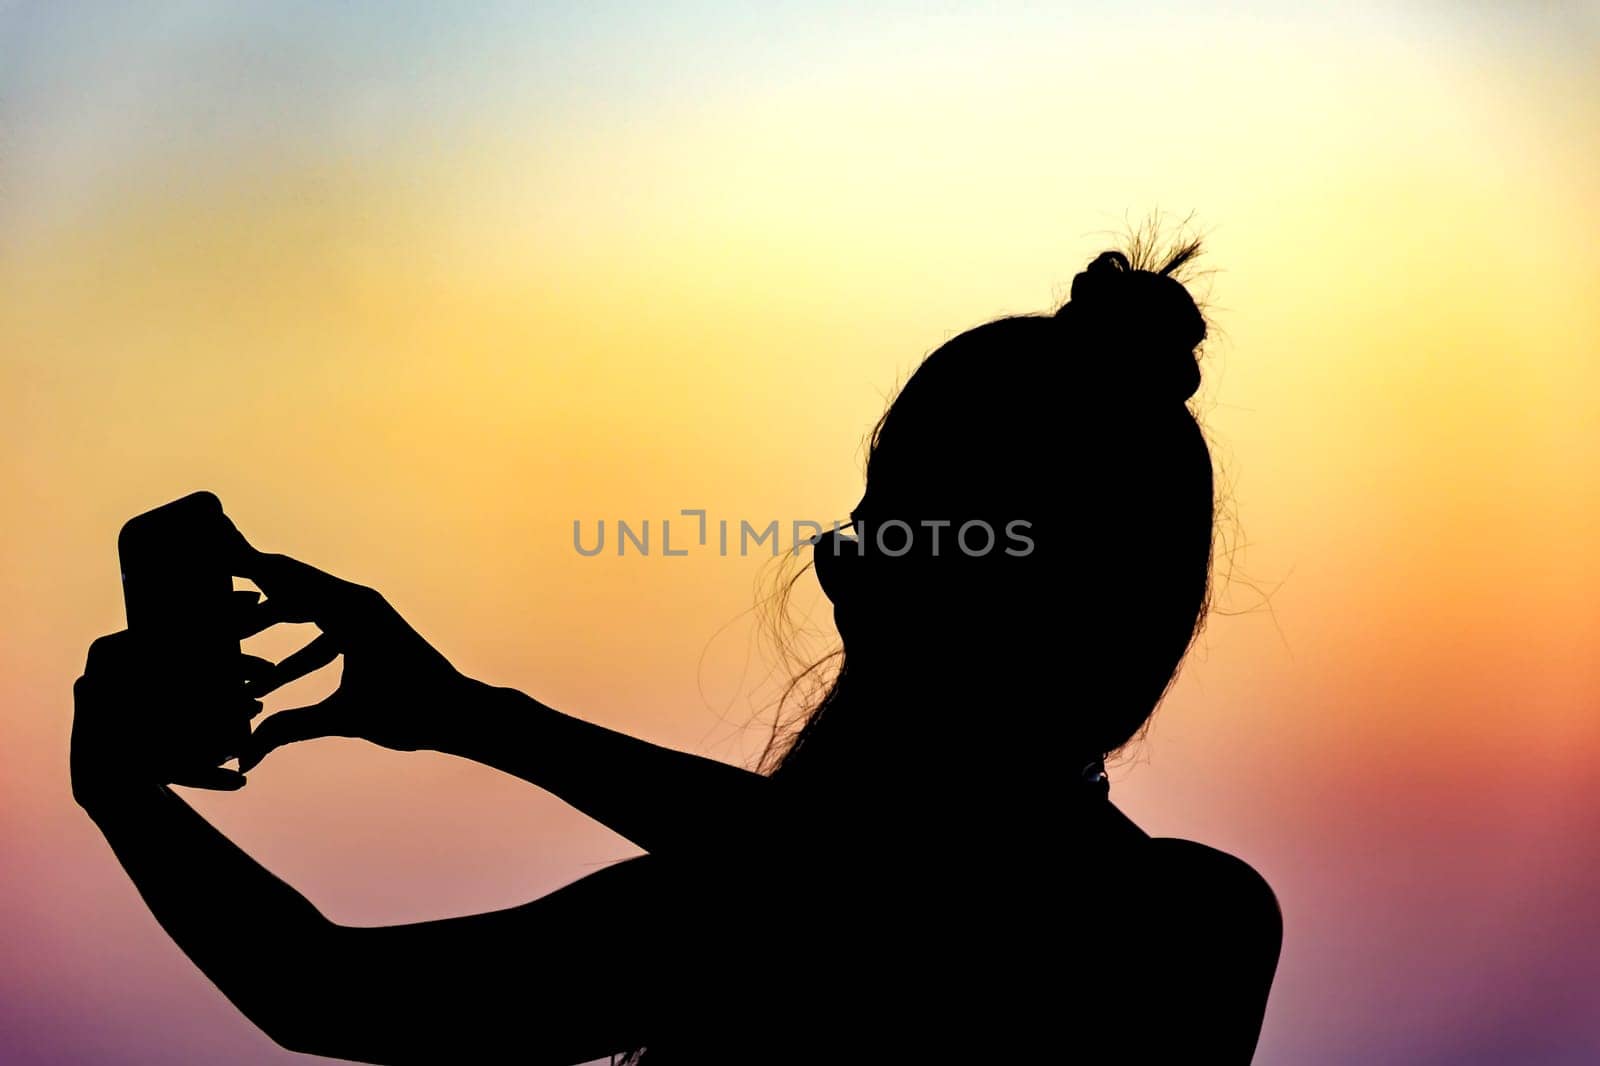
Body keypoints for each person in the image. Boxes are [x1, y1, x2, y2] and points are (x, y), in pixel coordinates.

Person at [72, 241, 1282, 1064]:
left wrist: (122, 791)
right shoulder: (1202, 927)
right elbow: (872, 880)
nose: (838, 550)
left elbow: (316, 988)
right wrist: (467, 713)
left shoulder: (756, 913)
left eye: (900, 515)